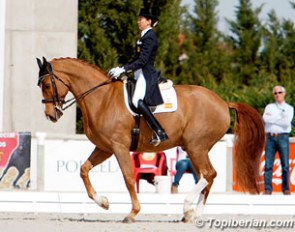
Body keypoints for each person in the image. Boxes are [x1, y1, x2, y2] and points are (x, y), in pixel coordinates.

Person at [108, 8, 168, 146]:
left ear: (149, 21)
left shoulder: (150, 36)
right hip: (138, 73)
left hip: (146, 74)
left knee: (137, 100)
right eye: (139, 19)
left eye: (141, 19)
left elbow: (143, 61)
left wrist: (124, 69)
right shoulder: (143, 37)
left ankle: (159, 131)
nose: (138, 21)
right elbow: (136, 59)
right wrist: (121, 68)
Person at [263, 85, 294, 195]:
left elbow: (287, 122)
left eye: (280, 92)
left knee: (285, 164)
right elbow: (266, 119)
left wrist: (273, 119)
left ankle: (286, 188)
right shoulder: (269, 107)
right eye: (275, 93)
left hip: (283, 137)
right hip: (270, 137)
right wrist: (279, 118)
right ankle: (267, 189)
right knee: (268, 165)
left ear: (284, 93)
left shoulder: (289, 108)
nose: (277, 95)